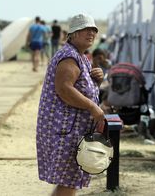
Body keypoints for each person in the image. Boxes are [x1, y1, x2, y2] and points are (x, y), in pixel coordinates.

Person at [36, 13, 105, 196]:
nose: (90, 33)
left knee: (69, 181)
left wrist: (95, 80)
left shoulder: (79, 56)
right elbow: (64, 89)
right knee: (68, 181)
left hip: (70, 127)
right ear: (73, 33)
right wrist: (92, 107)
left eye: (93, 30)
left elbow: (80, 85)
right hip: (65, 128)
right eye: (85, 29)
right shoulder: (69, 57)